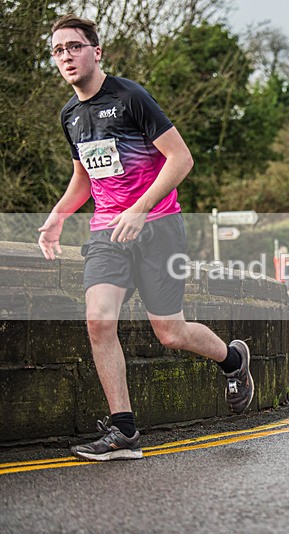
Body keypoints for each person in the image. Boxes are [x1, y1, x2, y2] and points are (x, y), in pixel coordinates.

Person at [37, 14, 253, 461]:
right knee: (98, 320)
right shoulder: (70, 116)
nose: (66, 56)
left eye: (74, 46)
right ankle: (124, 432)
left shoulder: (130, 97)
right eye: (58, 50)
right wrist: (58, 215)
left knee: (169, 333)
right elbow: (84, 176)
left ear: (96, 52)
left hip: (158, 228)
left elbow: (181, 159)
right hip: (106, 231)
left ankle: (232, 360)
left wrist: (141, 208)